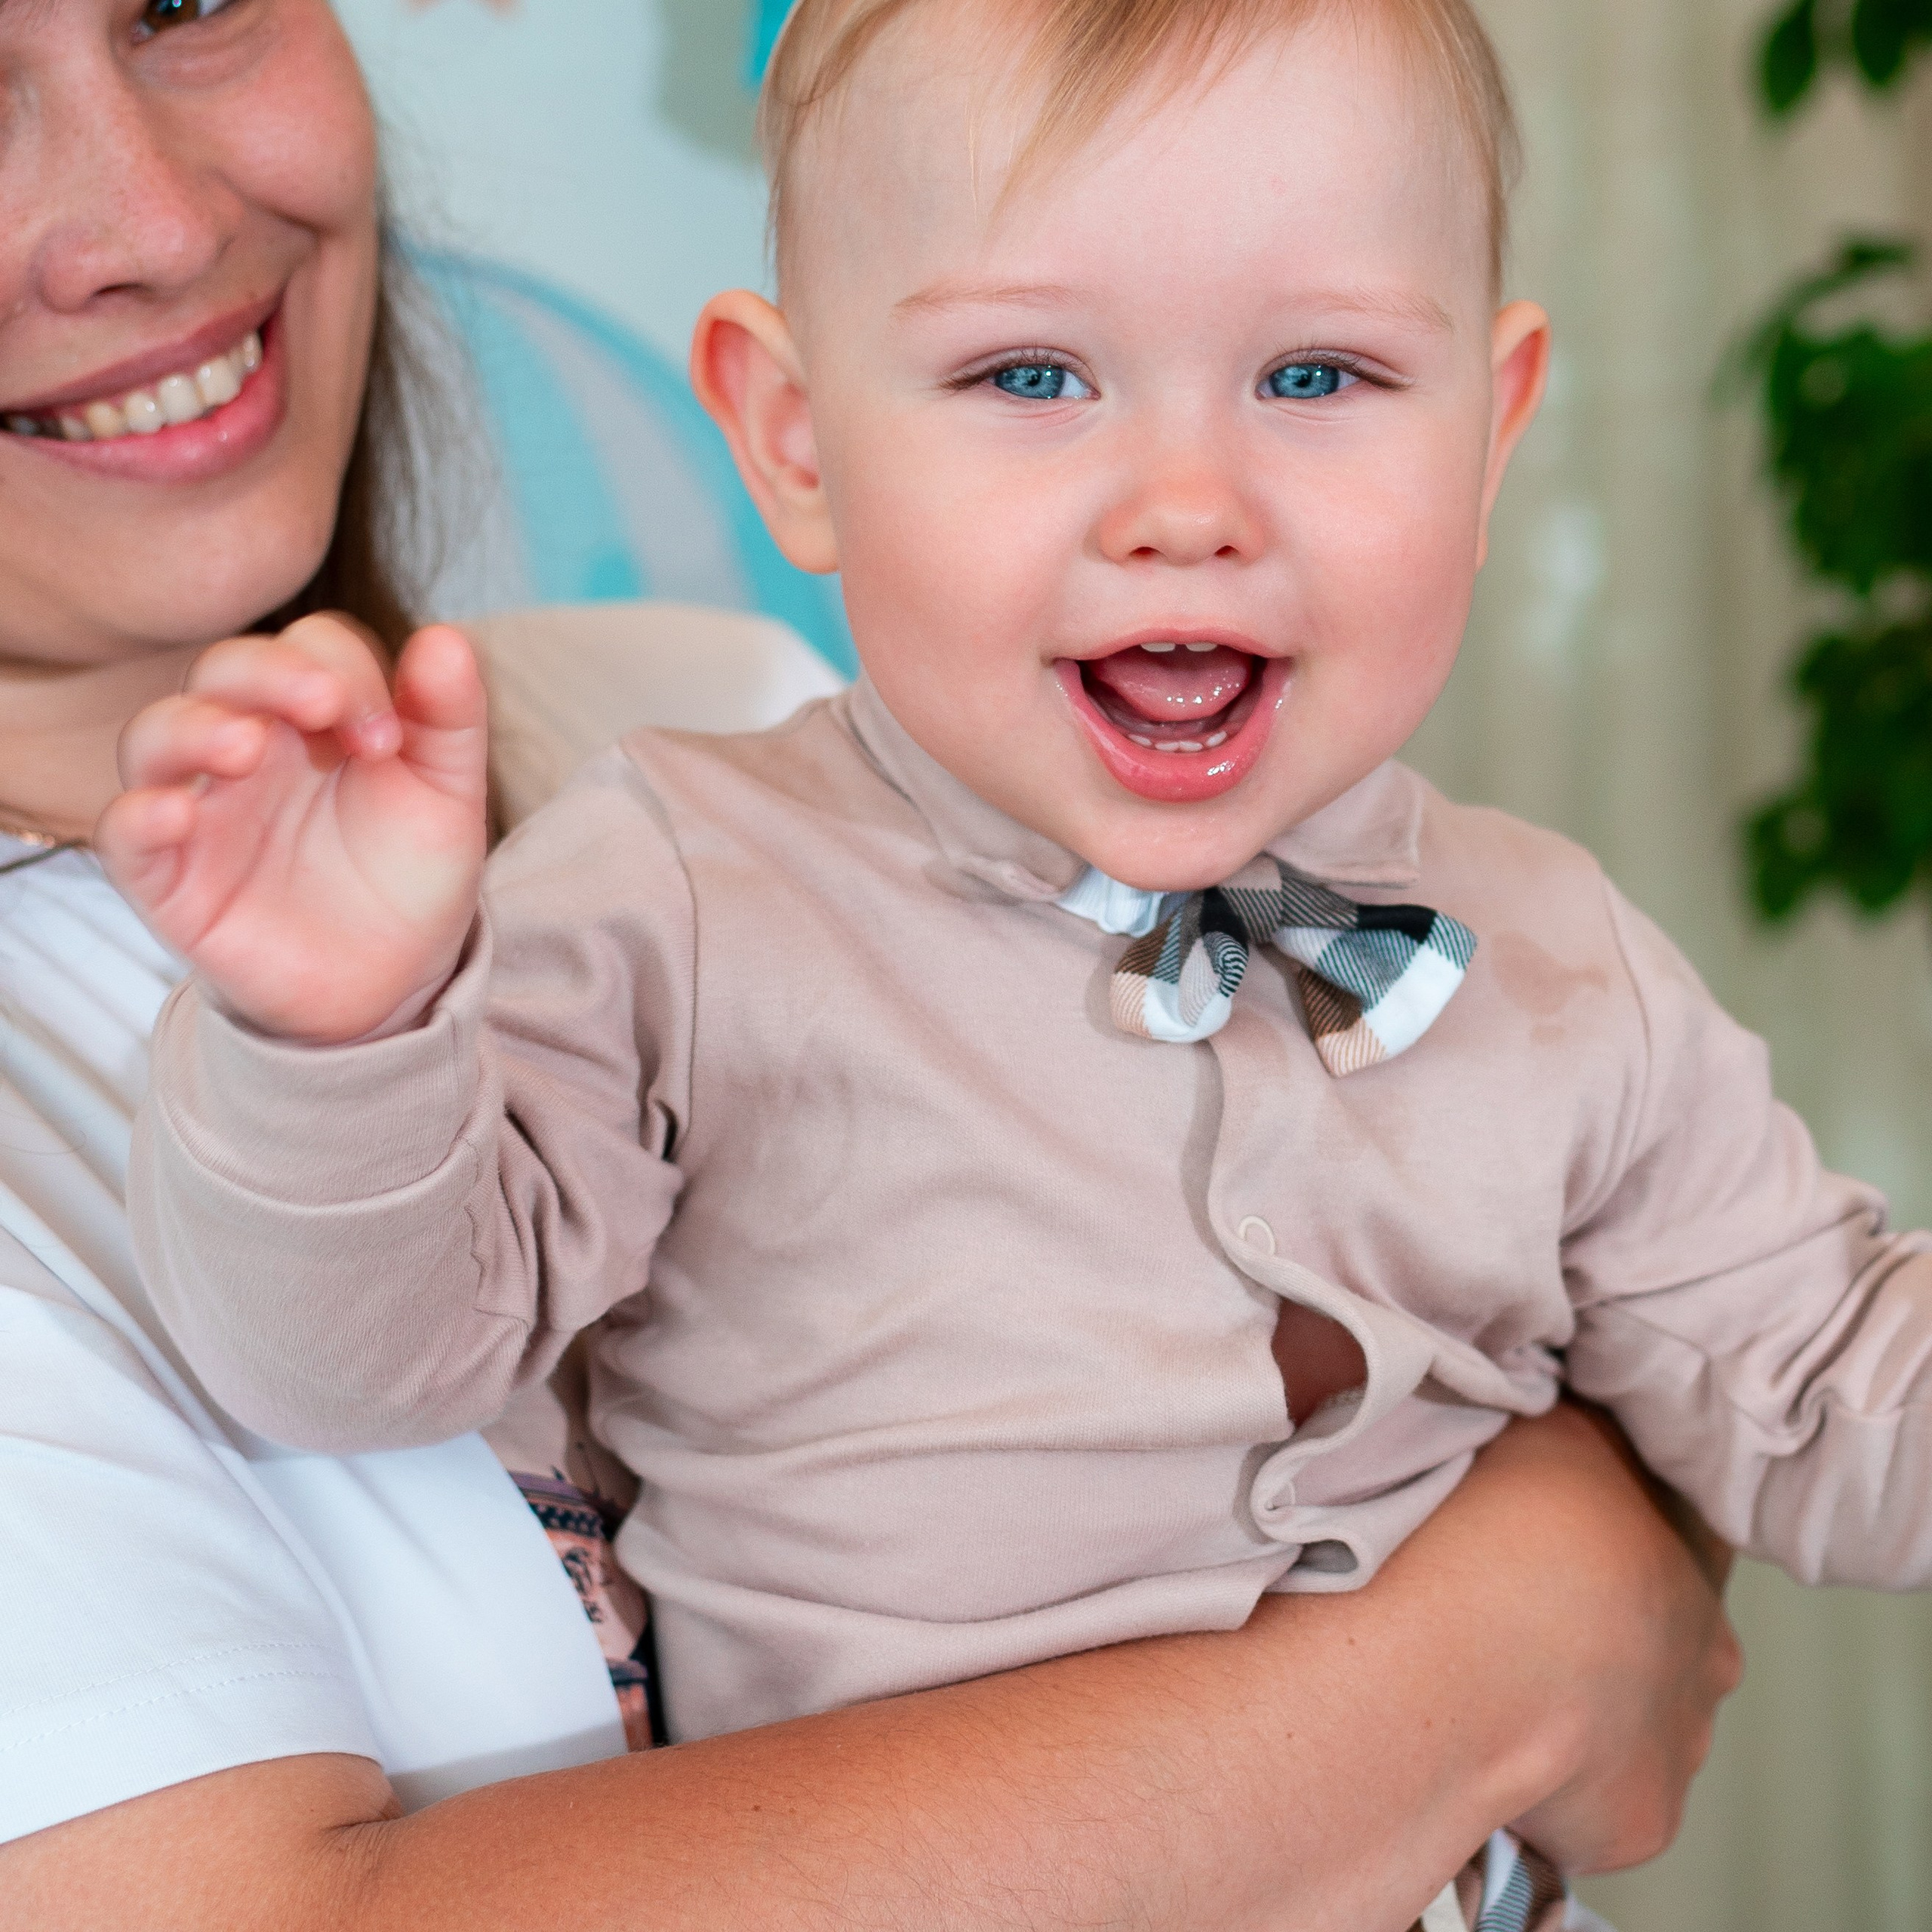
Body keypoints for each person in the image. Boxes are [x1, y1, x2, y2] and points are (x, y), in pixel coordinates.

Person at [0, 0, 1740, 1927]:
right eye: (1028, 372)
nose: (150, 223)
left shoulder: (750, 724)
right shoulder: (674, 878)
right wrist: (1492, 1641)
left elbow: (1717, 1355)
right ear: (790, 429)